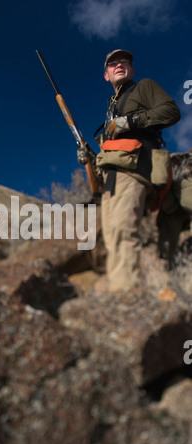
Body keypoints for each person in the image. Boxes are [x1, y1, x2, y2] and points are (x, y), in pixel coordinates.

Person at [77, 49, 181, 292]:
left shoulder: (143, 87)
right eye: (112, 64)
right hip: (111, 177)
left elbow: (171, 112)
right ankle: (117, 294)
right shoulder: (111, 110)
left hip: (134, 169)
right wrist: (90, 158)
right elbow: (110, 151)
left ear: (132, 69)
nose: (119, 64)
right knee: (111, 240)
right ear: (106, 76)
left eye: (124, 61)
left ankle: (124, 297)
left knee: (124, 232)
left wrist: (131, 121)